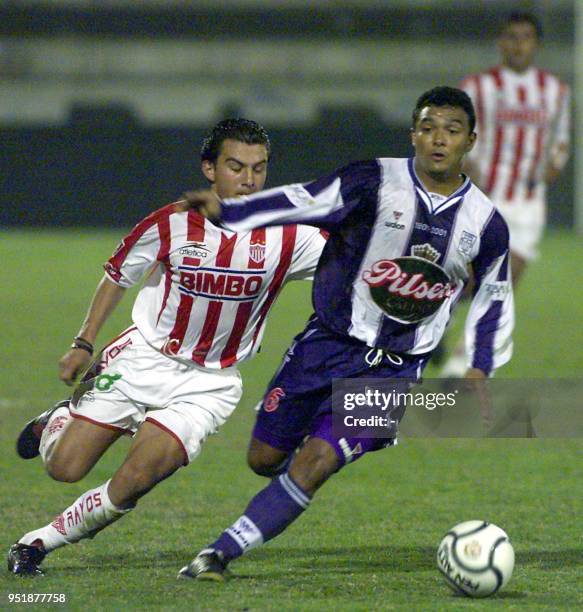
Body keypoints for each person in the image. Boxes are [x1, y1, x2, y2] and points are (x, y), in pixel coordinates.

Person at [176, 86, 515, 581]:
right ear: (413, 134)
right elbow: (304, 200)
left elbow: (494, 297)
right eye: (428, 127)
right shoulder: (372, 180)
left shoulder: (486, 223)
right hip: (327, 344)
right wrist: (233, 212)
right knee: (263, 457)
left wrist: (479, 367)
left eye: (452, 130)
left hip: (397, 370)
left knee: (317, 461)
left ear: (471, 140)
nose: (439, 139)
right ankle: (294, 470)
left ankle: (218, 554)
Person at [8, 118, 326, 576]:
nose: (249, 179)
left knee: (136, 479)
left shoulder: (290, 235)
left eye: (258, 168)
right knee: (65, 468)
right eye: (236, 166)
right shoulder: (173, 222)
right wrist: (83, 342)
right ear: (209, 169)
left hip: (209, 383)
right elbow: (118, 276)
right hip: (142, 358)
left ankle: (37, 542)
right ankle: (56, 421)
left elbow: (352, 261)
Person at [440, 11, 570, 376]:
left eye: (525, 37)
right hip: (486, 197)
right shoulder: (478, 86)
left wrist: (553, 165)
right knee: (470, 279)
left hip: (528, 204)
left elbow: (560, 143)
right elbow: (455, 133)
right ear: (501, 42)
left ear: (536, 44)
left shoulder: (555, 91)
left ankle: (459, 356)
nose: (518, 44)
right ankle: (444, 327)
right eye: (511, 37)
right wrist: (466, 168)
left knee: (503, 284)